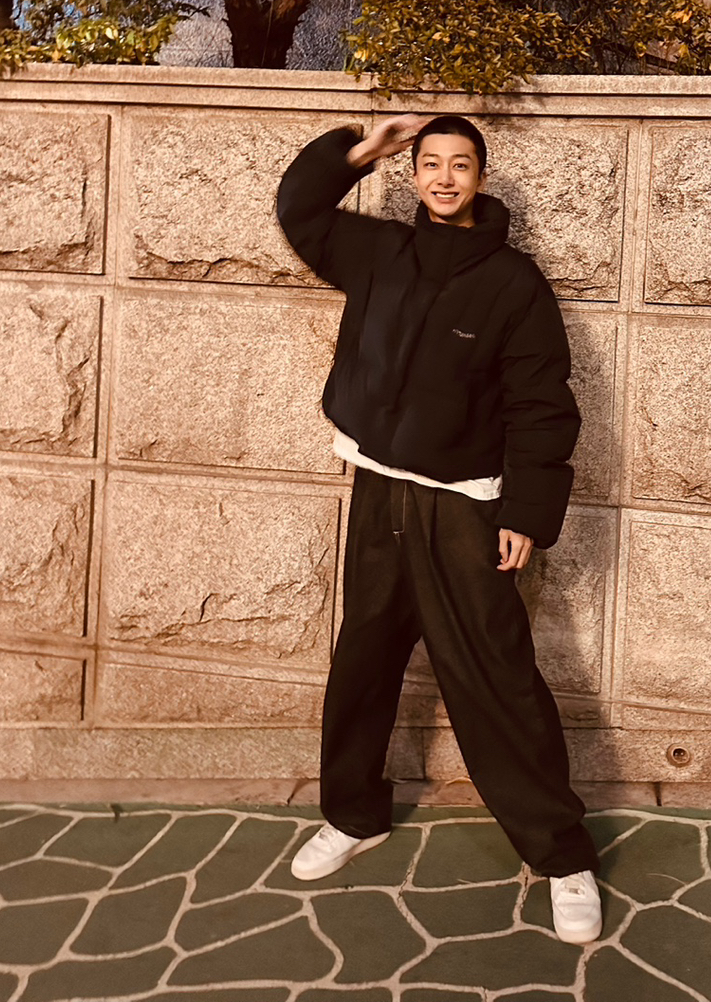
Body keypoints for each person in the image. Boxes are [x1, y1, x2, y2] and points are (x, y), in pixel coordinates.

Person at [275, 112, 601, 944]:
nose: (445, 177)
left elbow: (541, 402)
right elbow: (300, 212)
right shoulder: (380, 250)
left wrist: (525, 512)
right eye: (430, 163)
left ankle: (561, 855)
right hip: (379, 490)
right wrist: (360, 149)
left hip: (464, 503)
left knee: (495, 672)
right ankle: (353, 814)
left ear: (480, 178)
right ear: (414, 173)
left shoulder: (515, 283)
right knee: (364, 658)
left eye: (461, 164)